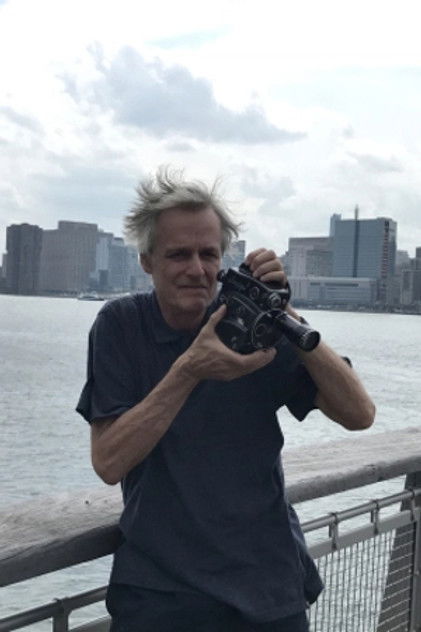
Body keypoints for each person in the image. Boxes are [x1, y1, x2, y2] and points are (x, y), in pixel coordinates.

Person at [77, 168, 375, 632]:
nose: (197, 270)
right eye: (178, 254)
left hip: (268, 589)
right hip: (160, 594)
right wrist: (190, 369)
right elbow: (109, 461)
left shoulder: (254, 324)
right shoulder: (121, 325)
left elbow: (360, 414)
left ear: (224, 261)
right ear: (147, 261)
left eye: (208, 254)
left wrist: (281, 309)